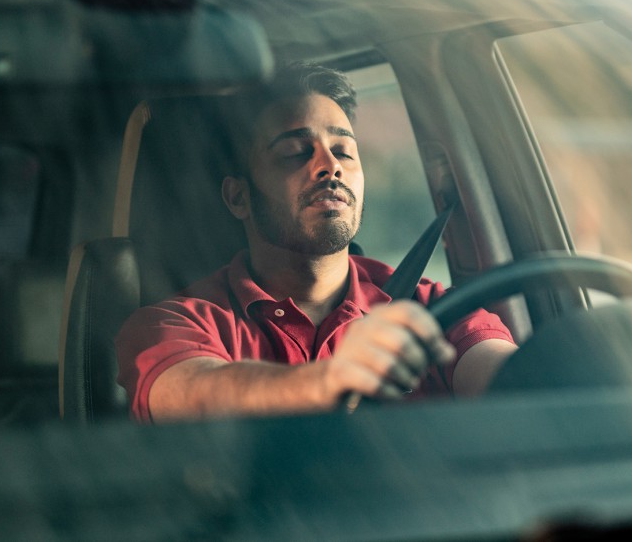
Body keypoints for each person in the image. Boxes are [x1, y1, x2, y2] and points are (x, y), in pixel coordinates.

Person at [116, 63, 517, 423]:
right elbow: (192, 393)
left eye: (344, 150)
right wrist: (330, 380)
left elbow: (515, 378)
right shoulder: (173, 323)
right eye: (294, 152)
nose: (331, 165)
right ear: (239, 197)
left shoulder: (431, 310)